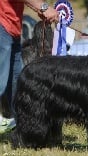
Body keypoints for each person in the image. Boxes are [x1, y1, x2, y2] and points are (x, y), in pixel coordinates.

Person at [0, 0, 59, 134]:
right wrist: (43, 7)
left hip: (12, 27)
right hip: (2, 24)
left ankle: (25, 132)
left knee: (18, 84)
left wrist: (36, 7)